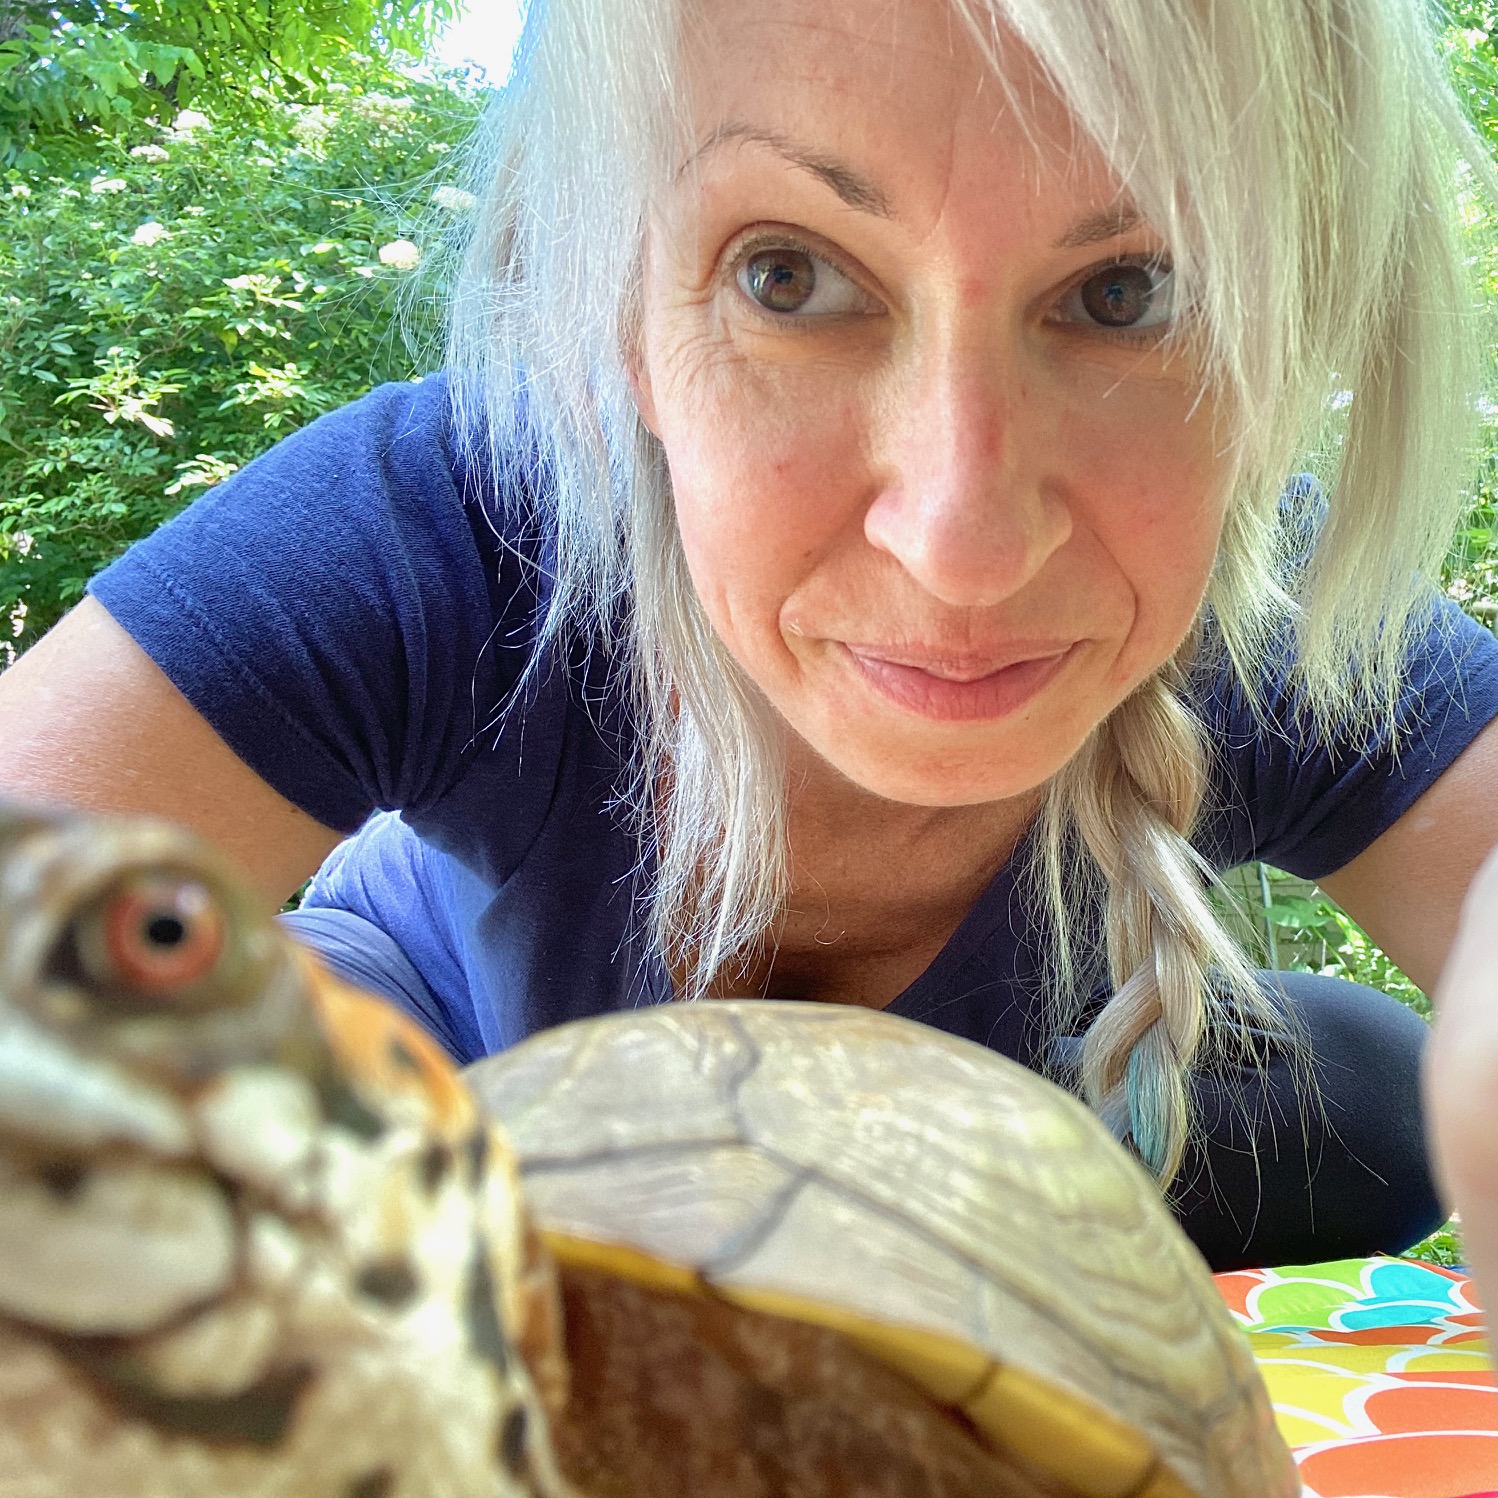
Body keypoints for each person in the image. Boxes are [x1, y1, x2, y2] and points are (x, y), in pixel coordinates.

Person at [2, 0, 1497, 1279]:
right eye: (788, 274)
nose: (961, 542)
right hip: (450, 1056)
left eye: (1127, 292)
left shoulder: (1266, 608)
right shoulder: (461, 521)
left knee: (1361, 1095)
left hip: (959, 1151)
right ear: (619, 316)